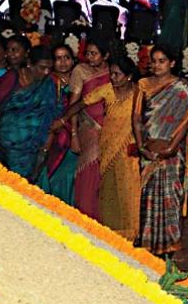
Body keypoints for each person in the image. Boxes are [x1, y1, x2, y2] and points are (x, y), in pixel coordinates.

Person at [55, 56, 142, 240]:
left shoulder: (139, 94)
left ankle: (129, 235)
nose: (113, 77)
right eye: (111, 73)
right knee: (108, 191)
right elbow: (81, 103)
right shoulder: (107, 90)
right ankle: (110, 234)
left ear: (128, 77)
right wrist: (63, 120)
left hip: (128, 149)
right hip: (107, 147)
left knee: (128, 191)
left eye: (117, 74)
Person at [133, 45, 188, 255]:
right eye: (154, 61)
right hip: (148, 149)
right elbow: (136, 117)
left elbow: (185, 123)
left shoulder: (183, 90)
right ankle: (144, 244)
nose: (157, 65)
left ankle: (167, 249)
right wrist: (142, 145)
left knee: (170, 198)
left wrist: (170, 148)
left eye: (162, 61)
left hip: (171, 154)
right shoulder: (143, 85)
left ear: (172, 63)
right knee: (145, 197)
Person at [0, 46, 59, 178]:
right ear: (30, 63)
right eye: (42, 68)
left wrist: (44, 149)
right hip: (4, 148)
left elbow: (50, 118)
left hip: (31, 151)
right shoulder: (12, 78)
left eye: (50, 68)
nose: (46, 72)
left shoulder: (48, 85)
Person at [69, 38, 110, 220]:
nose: (90, 57)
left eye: (94, 54)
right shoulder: (80, 71)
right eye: (87, 53)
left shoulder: (113, 72)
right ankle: (85, 220)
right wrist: (74, 134)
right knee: (88, 175)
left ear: (106, 55)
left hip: (109, 132)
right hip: (89, 130)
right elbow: (73, 105)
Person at [37, 44, 77, 205]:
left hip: (73, 132)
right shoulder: (48, 81)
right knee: (49, 172)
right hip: (51, 133)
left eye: (66, 57)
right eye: (58, 58)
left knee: (68, 175)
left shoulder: (80, 78)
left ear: (73, 60)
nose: (63, 62)